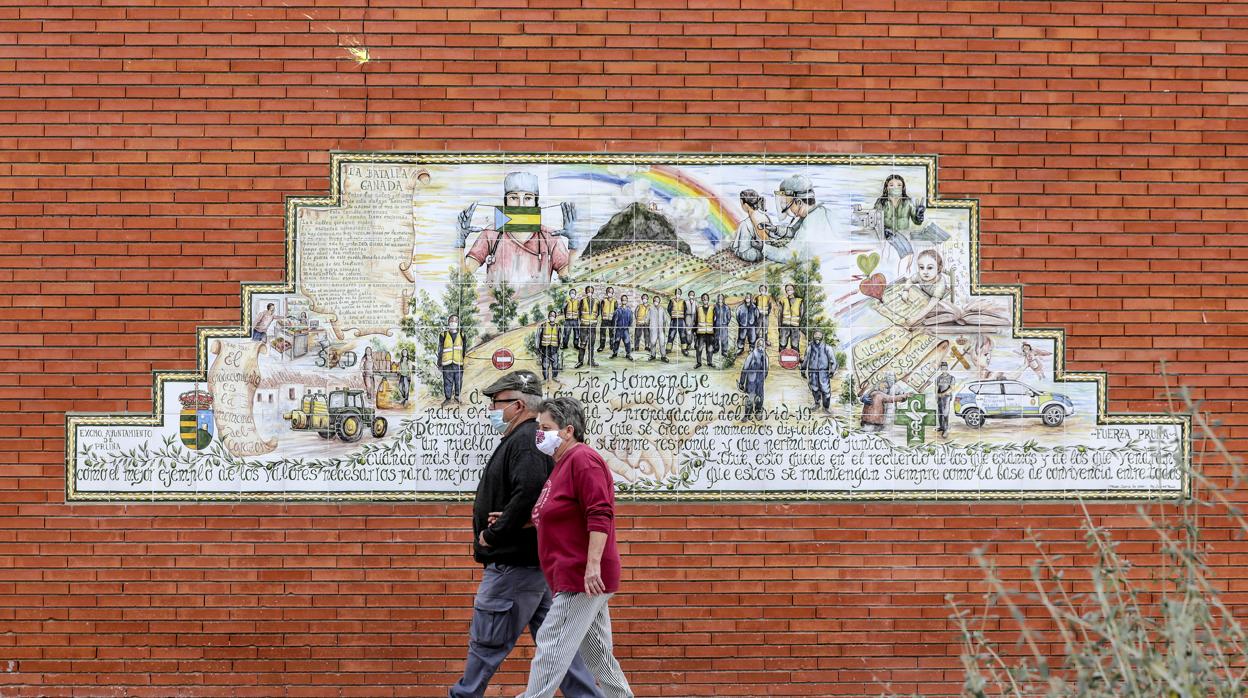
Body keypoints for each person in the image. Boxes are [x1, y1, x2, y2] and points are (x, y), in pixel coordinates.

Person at [448, 373, 604, 698]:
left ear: (517, 405)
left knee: (485, 647)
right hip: (534, 568)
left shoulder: (526, 439)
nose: (492, 408)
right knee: (559, 650)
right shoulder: (524, 438)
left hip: (513, 569)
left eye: (496, 402)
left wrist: (495, 534)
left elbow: (531, 490)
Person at [521, 397, 633, 698]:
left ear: (568, 430)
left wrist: (592, 565)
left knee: (552, 643)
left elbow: (600, 512)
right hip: (573, 574)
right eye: (539, 427)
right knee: (598, 655)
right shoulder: (562, 465)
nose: (539, 434)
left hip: (581, 575)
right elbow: (559, 511)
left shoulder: (583, 459)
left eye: (546, 427)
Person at [457, 172, 575, 289]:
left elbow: (569, 281)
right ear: (505, 202)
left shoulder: (550, 237)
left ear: (536, 202)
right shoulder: (491, 234)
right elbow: (462, 278)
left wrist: (573, 243)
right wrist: (459, 242)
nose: (521, 205)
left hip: (536, 307)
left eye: (528, 198)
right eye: (514, 197)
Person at [764, 174, 835, 260]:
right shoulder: (816, 212)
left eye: (787, 203)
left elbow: (790, 255)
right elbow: (793, 231)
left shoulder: (810, 222)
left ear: (799, 202)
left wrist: (764, 249)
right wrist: (775, 229)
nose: (787, 208)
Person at [873, 174, 926, 276]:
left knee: (909, 257)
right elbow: (875, 220)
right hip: (887, 235)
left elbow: (917, 221)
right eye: (891, 185)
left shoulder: (908, 202)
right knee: (900, 257)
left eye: (899, 185)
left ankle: (903, 277)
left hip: (904, 235)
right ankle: (899, 277)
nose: (895, 187)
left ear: (903, 187)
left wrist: (919, 215)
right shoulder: (881, 202)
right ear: (886, 187)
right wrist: (882, 230)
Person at [729, 189, 785, 263]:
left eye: (741, 203)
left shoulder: (745, 224)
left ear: (744, 204)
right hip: (766, 248)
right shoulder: (765, 216)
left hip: (757, 253)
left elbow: (743, 249)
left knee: (735, 248)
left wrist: (736, 250)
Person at [799, 329, 837, 413]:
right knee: (814, 389)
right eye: (816, 335)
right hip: (812, 372)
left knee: (825, 390)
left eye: (819, 335)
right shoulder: (809, 348)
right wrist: (803, 370)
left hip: (823, 372)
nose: (817, 337)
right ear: (813, 336)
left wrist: (832, 371)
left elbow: (833, 360)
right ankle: (817, 403)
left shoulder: (827, 348)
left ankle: (826, 407)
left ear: (822, 337)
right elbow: (805, 360)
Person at [437, 316, 465, 407]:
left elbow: (464, 349)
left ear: (458, 323)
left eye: (455, 321)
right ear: (448, 322)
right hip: (447, 362)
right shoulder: (443, 335)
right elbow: (440, 349)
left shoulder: (462, 334)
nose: (453, 322)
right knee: (447, 381)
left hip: (458, 362)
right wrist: (439, 363)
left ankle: (457, 396)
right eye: (451, 320)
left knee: (458, 380)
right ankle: (448, 398)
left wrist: (462, 359)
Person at [738, 339, 768, 421]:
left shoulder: (765, 356)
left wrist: (762, 378)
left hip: (759, 381)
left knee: (760, 397)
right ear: (756, 346)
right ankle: (747, 414)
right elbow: (745, 368)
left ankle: (758, 411)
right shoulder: (751, 356)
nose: (760, 348)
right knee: (750, 397)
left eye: (762, 346)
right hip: (751, 381)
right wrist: (742, 382)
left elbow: (766, 370)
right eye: (759, 345)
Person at [576, 286, 600, 369]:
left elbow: (598, 313)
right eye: (588, 291)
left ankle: (591, 361)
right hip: (584, 326)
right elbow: (579, 312)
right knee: (582, 344)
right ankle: (580, 361)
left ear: (593, 292)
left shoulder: (597, 301)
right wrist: (582, 321)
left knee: (591, 344)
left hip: (592, 326)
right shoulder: (582, 301)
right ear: (586, 292)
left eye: (591, 291)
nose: (590, 292)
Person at [535, 311, 562, 383]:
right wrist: (537, 347)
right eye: (550, 315)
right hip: (545, 348)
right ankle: (545, 378)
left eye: (553, 315)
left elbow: (560, 337)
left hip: (554, 348)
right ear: (548, 316)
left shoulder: (558, 326)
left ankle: (555, 377)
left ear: (555, 317)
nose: (552, 317)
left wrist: (560, 346)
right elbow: (538, 336)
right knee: (545, 364)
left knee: (555, 363)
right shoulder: (543, 325)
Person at [778, 284, 804, 353]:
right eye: (787, 289)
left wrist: (799, 326)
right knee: (782, 344)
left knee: (795, 345)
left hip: (795, 327)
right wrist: (779, 326)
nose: (789, 291)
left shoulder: (799, 301)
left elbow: (801, 314)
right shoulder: (782, 301)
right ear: (786, 291)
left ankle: (796, 361)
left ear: (794, 290)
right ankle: (781, 359)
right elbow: (780, 314)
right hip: (784, 326)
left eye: (790, 289)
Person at [693, 293, 716, 370]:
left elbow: (715, 321)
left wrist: (715, 331)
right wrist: (694, 331)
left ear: (708, 299)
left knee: (710, 349)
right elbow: (695, 321)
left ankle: (709, 362)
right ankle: (699, 363)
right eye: (703, 298)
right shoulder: (698, 309)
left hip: (710, 333)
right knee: (699, 349)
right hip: (700, 333)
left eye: (706, 298)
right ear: (701, 299)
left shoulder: (712, 308)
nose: (704, 299)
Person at [666, 288, 690, 357]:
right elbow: (669, 309)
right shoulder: (672, 300)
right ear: (675, 293)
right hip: (674, 320)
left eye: (679, 293)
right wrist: (672, 315)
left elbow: (685, 310)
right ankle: (668, 349)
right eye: (677, 292)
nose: (678, 294)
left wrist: (683, 317)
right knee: (671, 335)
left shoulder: (683, 301)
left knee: (683, 335)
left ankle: (684, 349)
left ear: (681, 293)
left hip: (681, 321)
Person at [609, 294, 633, 360]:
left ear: (627, 301)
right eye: (623, 300)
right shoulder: (617, 310)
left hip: (625, 329)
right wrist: (614, 328)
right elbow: (614, 320)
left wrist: (629, 327)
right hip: (618, 329)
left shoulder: (629, 311)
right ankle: (615, 353)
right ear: (621, 301)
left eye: (625, 300)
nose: (624, 301)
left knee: (627, 342)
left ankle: (628, 354)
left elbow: (631, 320)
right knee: (616, 341)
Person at [647, 295, 669, 363]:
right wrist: (647, 323)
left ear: (659, 301)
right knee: (653, 343)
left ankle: (663, 356)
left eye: (657, 300)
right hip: (653, 329)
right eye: (654, 300)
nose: (656, 302)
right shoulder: (650, 308)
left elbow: (665, 319)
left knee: (662, 343)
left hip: (661, 329)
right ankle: (653, 355)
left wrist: (664, 326)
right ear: (653, 301)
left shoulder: (662, 309)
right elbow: (647, 318)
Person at [934, 362, 954, 438]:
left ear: (947, 368)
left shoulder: (951, 378)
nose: (943, 369)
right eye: (942, 368)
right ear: (941, 368)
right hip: (939, 397)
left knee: (945, 413)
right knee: (940, 413)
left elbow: (952, 388)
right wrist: (936, 395)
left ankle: (945, 430)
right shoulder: (938, 378)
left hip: (947, 397)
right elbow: (936, 388)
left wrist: (943, 393)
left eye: (945, 368)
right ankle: (941, 427)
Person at [596, 287, 618, 354]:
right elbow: (601, 310)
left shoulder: (615, 301)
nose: (610, 293)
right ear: (606, 292)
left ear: (613, 293)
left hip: (612, 321)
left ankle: (612, 346)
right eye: (608, 292)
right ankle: (601, 346)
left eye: (611, 292)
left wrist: (615, 321)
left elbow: (616, 311)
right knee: (602, 334)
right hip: (604, 320)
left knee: (612, 334)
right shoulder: (603, 301)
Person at [712, 294, 732, 362]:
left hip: (724, 325)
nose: (720, 299)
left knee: (724, 339)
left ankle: (724, 351)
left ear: (723, 299)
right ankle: (716, 349)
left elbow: (729, 317)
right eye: (719, 298)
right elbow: (713, 316)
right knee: (716, 338)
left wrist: (726, 322)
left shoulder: (726, 307)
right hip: (717, 325)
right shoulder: (715, 307)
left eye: (721, 298)